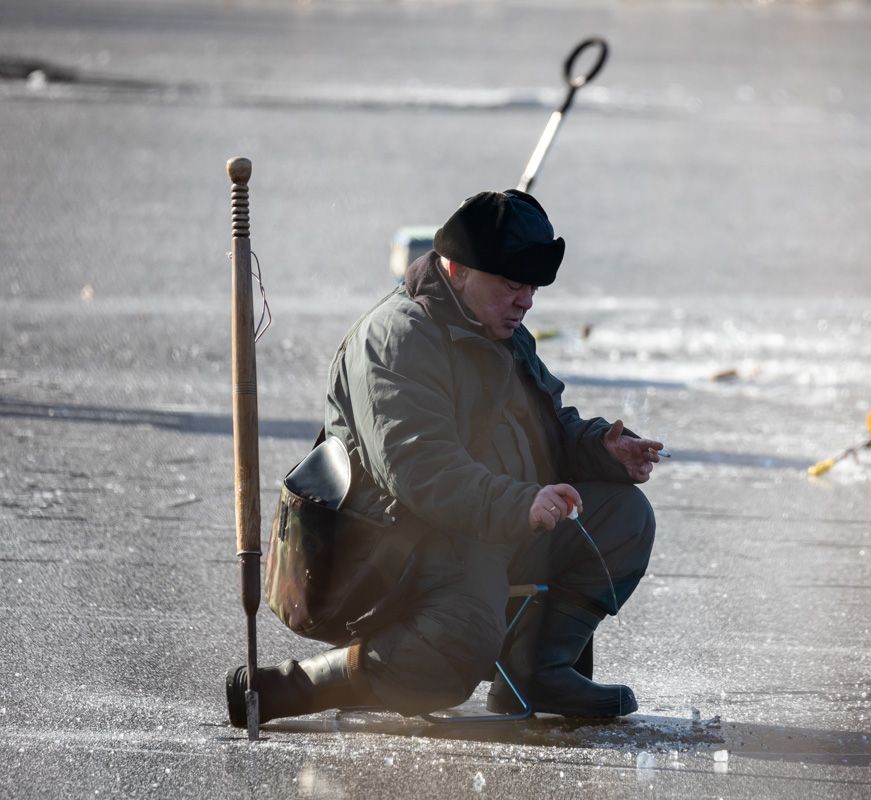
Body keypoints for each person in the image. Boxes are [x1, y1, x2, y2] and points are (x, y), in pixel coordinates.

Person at [226, 189, 662, 725]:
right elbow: (420, 470)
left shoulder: (500, 330)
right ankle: (298, 685)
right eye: (511, 284)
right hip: (402, 548)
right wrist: (521, 502)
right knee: (459, 646)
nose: (525, 301)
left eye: (531, 287)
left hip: (487, 524)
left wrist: (601, 449)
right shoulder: (396, 340)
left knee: (624, 519)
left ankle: (537, 672)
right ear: (457, 270)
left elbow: (545, 426)